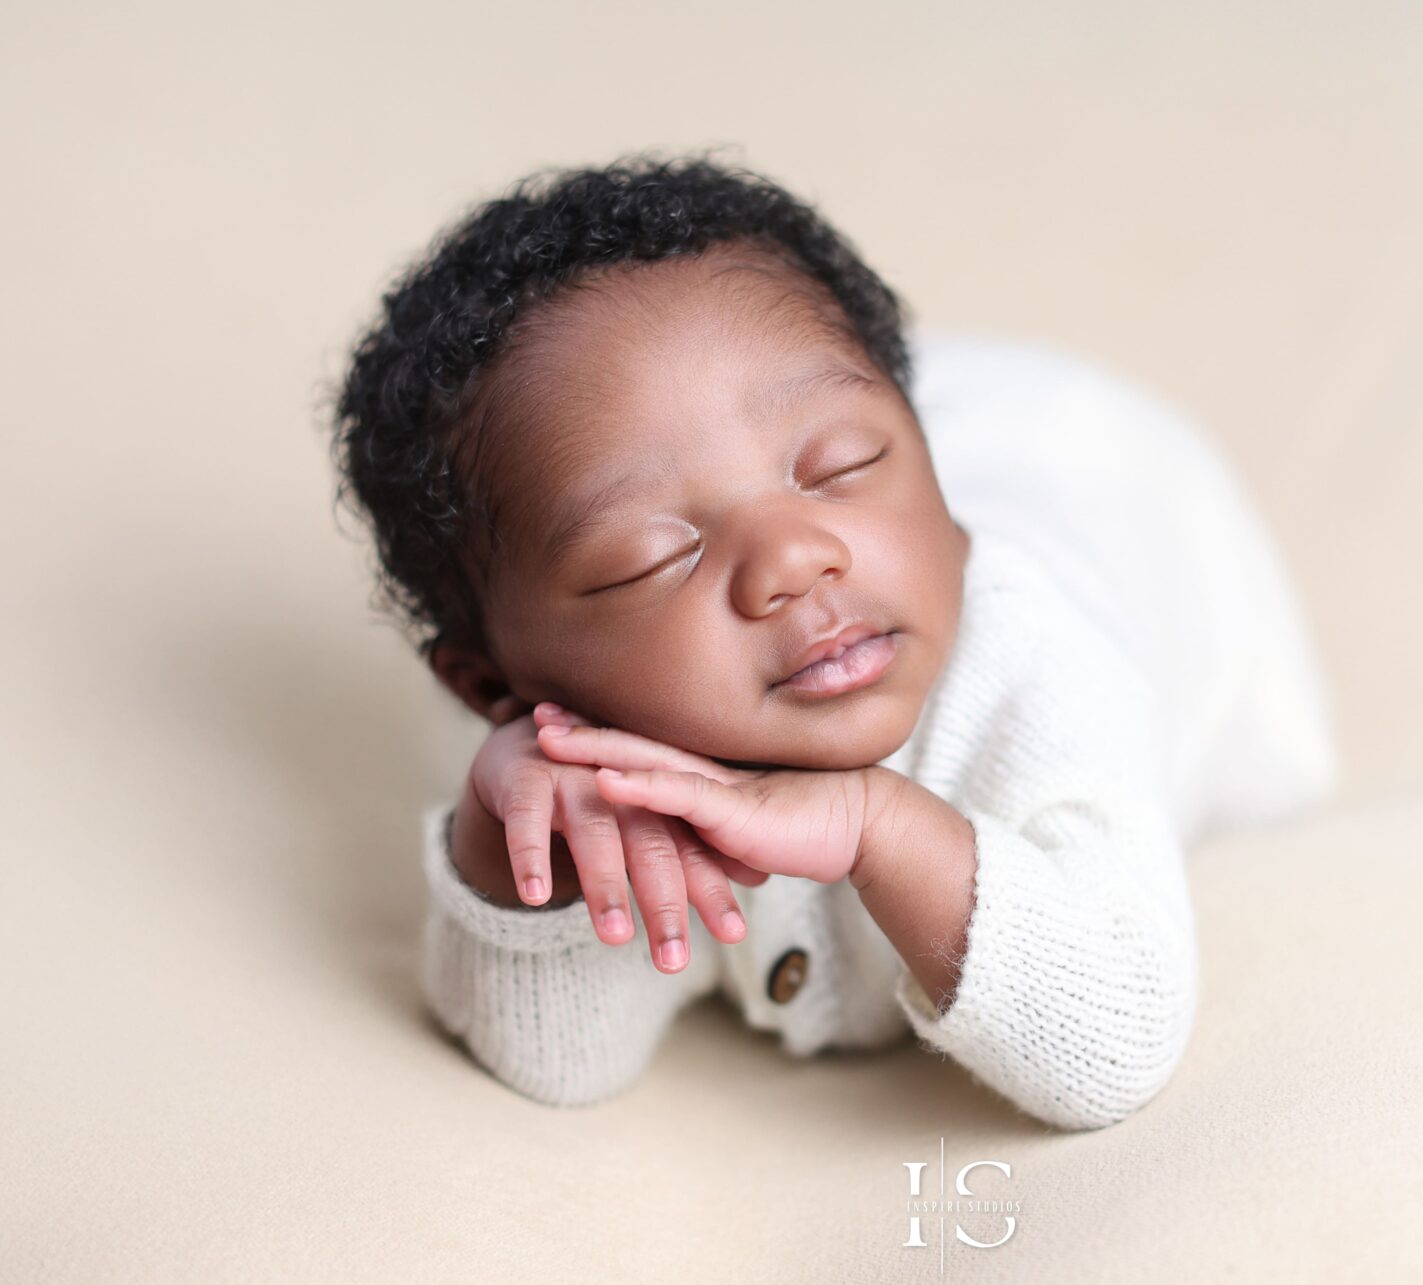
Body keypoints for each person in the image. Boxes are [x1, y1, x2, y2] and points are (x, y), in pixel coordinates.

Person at [329, 148, 1339, 1130]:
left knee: (1261, 789)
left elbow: (1115, 1040)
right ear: (494, 687)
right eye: (650, 558)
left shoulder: (1041, 669)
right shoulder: (591, 759)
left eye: (842, 467)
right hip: (849, 412)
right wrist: (512, 861)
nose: (793, 558)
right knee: (761, 406)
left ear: (937, 485)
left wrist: (876, 826)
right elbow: (557, 1064)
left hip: (1120, 481)